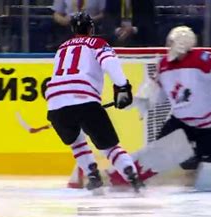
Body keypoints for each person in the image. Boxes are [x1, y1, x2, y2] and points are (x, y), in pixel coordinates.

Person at [108, 26, 211, 187]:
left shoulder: (201, 59)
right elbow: (158, 90)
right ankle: (128, 175)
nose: (169, 46)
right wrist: (143, 99)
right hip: (180, 123)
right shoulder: (163, 65)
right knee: (160, 155)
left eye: (172, 42)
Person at [45, 12, 143, 192]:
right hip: (85, 100)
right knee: (109, 147)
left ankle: (93, 176)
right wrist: (122, 87)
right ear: (91, 27)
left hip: (55, 104)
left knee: (76, 142)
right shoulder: (98, 43)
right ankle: (132, 176)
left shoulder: (62, 48)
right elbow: (110, 64)